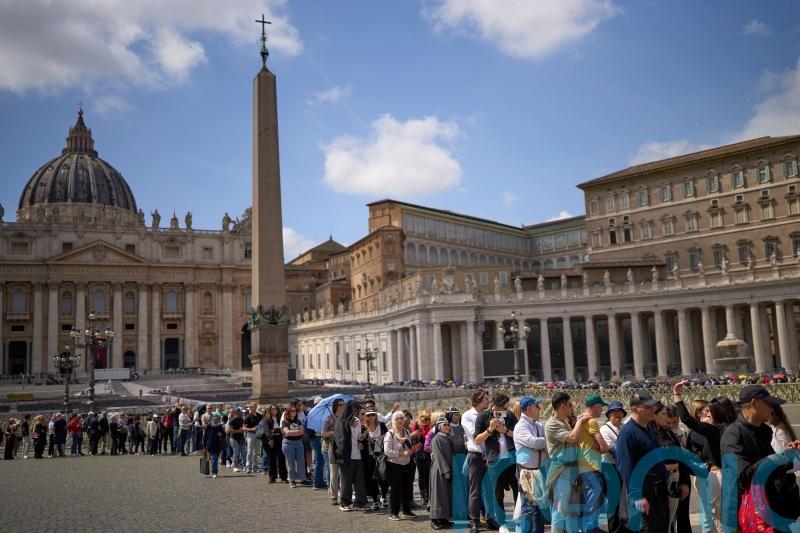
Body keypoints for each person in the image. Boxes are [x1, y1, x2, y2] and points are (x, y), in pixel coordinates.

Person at [720, 384, 800, 533]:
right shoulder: (733, 434)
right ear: (754, 403)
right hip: (745, 513)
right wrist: (779, 457)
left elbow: (772, 468)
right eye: (768, 404)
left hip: (769, 507)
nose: (772, 408)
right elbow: (743, 476)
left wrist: (789, 455)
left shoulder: (764, 430)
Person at [615, 390, 669, 533]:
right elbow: (625, 466)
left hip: (657, 490)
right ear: (635, 409)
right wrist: (637, 496)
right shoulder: (628, 432)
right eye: (647, 407)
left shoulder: (647, 428)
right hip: (643, 492)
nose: (652, 410)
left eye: (652, 406)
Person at [544, 392, 590, 533]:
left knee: (572, 511)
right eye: (570, 405)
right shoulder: (552, 424)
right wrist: (580, 421)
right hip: (561, 471)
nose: (572, 408)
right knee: (560, 510)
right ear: (563, 406)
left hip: (571, 471)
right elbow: (572, 438)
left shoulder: (563, 422)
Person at [473, 392, 518, 532]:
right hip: (494, 459)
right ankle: (501, 523)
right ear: (497, 406)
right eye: (505, 407)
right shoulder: (483, 416)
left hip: (511, 458)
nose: (507, 409)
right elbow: (477, 440)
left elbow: (518, 435)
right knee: (497, 494)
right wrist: (490, 429)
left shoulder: (510, 415)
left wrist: (504, 430)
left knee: (518, 490)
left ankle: (519, 519)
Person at [574, 394, 609, 533]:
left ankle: (589, 529)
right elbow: (604, 447)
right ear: (596, 406)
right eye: (601, 407)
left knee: (589, 502)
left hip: (583, 467)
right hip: (592, 467)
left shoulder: (579, 420)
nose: (602, 410)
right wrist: (601, 448)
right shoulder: (591, 422)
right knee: (593, 504)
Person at [651, 403, 690, 529]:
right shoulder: (647, 434)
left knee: (671, 519)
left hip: (674, 479)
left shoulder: (668, 432)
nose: (666, 417)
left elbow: (680, 456)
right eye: (663, 414)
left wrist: (684, 482)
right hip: (657, 482)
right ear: (653, 415)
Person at [513, 396, 548, 533]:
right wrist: (546, 442)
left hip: (539, 472)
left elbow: (539, 443)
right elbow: (534, 442)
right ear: (529, 408)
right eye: (537, 406)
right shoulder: (520, 426)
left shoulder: (538, 425)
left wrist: (543, 443)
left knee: (539, 509)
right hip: (526, 472)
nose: (539, 409)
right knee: (528, 509)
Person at [462, 390, 490, 533]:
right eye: (486, 398)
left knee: (490, 490)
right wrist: (491, 429)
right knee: (475, 491)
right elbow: (475, 437)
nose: (488, 400)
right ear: (478, 400)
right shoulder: (467, 416)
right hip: (476, 456)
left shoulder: (489, 413)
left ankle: (491, 518)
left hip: (490, 456)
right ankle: (474, 521)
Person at [332, 400, 368, 511]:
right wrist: (348, 425)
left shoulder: (357, 421)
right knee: (346, 482)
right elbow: (338, 439)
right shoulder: (340, 421)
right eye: (354, 410)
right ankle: (344, 504)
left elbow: (358, 437)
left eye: (357, 410)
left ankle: (360, 503)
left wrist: (364, 436)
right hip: (346, 456)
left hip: (358, 456)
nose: (356, 412)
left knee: (359, 481)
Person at [384, 410, 419, 521]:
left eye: (401, 418)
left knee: (407, 488)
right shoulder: (390, 434)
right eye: (397, 418)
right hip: (393, 465)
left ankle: (406, 511)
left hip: (406, 463)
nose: (400, 420)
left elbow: (408, 447)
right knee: (395, 489)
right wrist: (401, 453)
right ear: (393, 421)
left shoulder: (406, 432)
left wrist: (413, 449)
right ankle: (393, 513)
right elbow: (387, 451)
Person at [599, 400, 627, 533]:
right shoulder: (605, 429)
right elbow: (613, 450)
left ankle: (621, 528)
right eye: (614, 412)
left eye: (620, 411)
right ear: (609, 414)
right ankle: (613, 529)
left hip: (621, 467)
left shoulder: (623, 427)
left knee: (623, 500)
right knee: (613, 500)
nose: (618, 414)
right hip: (610, 467)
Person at [430, 416, 455, 530]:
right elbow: (438, 456)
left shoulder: (447, 438)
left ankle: (443, 518)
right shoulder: (436, 439)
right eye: (444, 425)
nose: (447, 426)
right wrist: (446, 470)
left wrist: (452, 436)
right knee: (438, 494)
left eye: (447, 424)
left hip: (447, 469)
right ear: (439, 427)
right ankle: (434, 519)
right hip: (439, 470)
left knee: (445, 494)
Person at [362, 406, 389, 509]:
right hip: (370, 457)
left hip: (381, 455)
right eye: (369, 415)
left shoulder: (382, 425)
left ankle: (384, 496)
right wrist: (366, 435)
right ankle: (375, 500)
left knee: (383, 477)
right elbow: (360, 440)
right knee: (372, 479)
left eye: (373, 415)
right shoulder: (364, 427)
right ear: (366, 417)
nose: (371, 417)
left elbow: (387, 438)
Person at [323, 399, 345, 504]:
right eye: (340, 404)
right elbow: (323, 434)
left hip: (344, 449)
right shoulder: (329, 418)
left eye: (343, 404)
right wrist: (334, 432)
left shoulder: (346, 418)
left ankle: (344, 496)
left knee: (344, 474)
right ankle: (334, 496)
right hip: (333, 449)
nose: (342, 406)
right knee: (333, 474)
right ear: (335, 406)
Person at [281, 403, 307, 488]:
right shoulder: (285, 422)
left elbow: (302, 432)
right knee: (290, 463)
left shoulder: (298, 421)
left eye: (295, 411)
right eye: (292, 411)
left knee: (301, 461)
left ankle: (302, 478)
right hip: (288, 443)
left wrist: (294, 432)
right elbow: (287, 433)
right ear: (288, 412)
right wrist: (297, 432)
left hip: (299, 443)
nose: (294, 412)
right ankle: (291, 480)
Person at [412, 409, 433, 506]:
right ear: (421, 418)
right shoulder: (417, 425)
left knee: (428, 474)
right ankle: (424, 496)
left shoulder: (430, 426)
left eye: (428, 419)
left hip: (428, 453)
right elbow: (413, 438)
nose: (427, 421)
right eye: (425, 419)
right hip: (419, 454)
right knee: (421, 476)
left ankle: (429, 495)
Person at [266, 404, 288, 483]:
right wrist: (270, 439)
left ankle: (283, 477)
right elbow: (266, 430)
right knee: (272, 459)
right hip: (271, 439)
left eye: (276, 409)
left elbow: (282, 427)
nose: (275, 410)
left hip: (280, 438)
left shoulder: (280, 418)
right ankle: (272, 477)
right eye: (273, 409)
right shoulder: (267, 418)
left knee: (281, 458)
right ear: (270, 410)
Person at [243, 402, 263, 474]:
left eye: (255, 407)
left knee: (256, 452)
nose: (254, 408)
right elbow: (243, 428)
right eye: (252, 407)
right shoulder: (248, 417)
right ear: (250, 408)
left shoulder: (260, 416)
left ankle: (255, 467)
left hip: (258, 435)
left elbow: (262, 425)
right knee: (250, 451)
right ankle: (248, 467)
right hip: (250, 435)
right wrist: (251, 429)